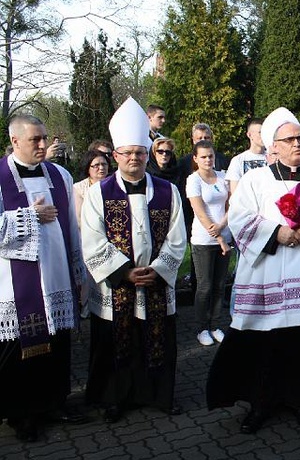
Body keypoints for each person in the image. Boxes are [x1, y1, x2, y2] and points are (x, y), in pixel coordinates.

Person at [206, 107, 300, 434]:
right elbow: (240, 219)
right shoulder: (255, 180)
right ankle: (261, 404)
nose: (298, 144)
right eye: (290, 139)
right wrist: (276, 233)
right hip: (267, 276)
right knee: (265, 344)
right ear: (275, 145)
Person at [81, 97, 186, 424]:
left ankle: (158, 396)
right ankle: (116, 398)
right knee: (117, 342)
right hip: (118, 286)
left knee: (156, 340)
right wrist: (125, 272)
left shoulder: (169, 191)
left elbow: (178, 236)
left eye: (140, 152)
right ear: (115, 156)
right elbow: (92, 238)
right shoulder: (99, 194)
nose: (134, 159)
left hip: (155, 281)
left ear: (148, 153)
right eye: (127, 153)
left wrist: (157, 270)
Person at [0, 114, 86, 442]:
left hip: (57, 278)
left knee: (57, 346)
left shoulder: (60, 175)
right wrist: (28, 217)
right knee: (19, 352)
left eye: (44, 138)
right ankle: (21, 413)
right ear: (15, 142)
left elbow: (72, 228)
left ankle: (54, 402)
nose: (42, 145)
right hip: (15, 286)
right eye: (35, 139)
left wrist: (78, 272)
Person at [186, 140, 231, 346]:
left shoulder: (223, 177)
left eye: (210, 156)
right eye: (203, 156)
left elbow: (233, 204)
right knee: (205, 286)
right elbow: (200, 213)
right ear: (195, 158)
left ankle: (215, 325)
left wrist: (223, 226)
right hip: (204, 240)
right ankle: (201, 328)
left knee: (220, 285)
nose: (207, 160)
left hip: (225, 234)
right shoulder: (193, 180)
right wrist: (218, 236)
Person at [226, 117, 270, 194]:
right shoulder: (238, 160)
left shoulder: (274, 158)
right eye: (260, 132)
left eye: (265, 132)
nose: (264, 135)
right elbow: (235, 193)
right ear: (249, 135)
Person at [73, 149, 111, 226]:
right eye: (96, 165)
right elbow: (78, 217)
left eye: (104, 164)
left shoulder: (116, 184)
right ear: (88, 168)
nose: (101, 168)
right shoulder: (79, 188)